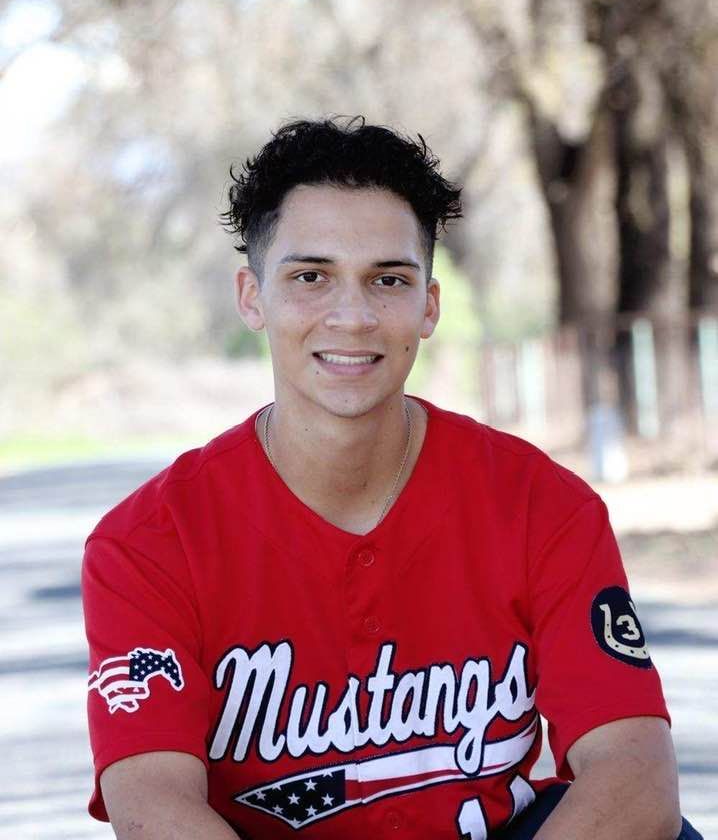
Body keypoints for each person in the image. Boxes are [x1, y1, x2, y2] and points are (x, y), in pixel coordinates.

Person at [81, 116, 703, 840]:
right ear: (252, 297)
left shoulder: (541, 506)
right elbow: (153, 808)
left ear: (428, 306)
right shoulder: (148, 544)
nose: (352, 316)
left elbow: (636, 777)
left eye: (389, 279)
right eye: (310, 277)